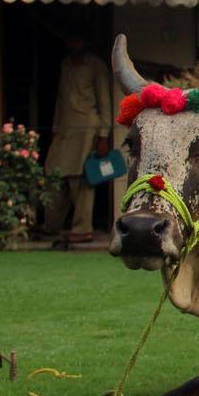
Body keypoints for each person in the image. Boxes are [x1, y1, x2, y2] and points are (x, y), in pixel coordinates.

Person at [42, 25, 113, 241]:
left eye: (77, 40)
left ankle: (82, 229)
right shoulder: (66, 63)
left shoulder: (96, 65)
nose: (73, 44)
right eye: (71, 40)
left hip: (86, 129)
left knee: (81, 179)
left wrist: (103, 135)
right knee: (54, 174)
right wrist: (55, 129)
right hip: (65, 128)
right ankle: (51, 225)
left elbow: (104, 101)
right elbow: (60, 99)